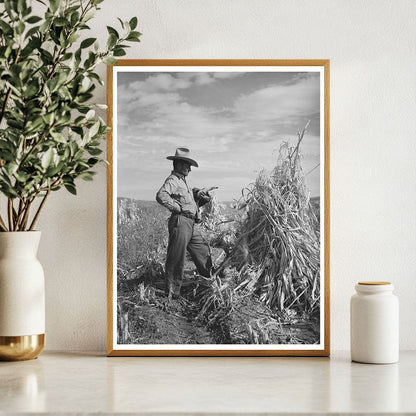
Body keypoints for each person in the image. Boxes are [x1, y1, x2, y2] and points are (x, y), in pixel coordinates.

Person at [156, 147, 213, 300]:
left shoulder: (183, 182)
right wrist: (176, 207)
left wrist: (199, 194)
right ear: (179, 164)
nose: (189, 169)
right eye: (188, 165)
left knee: (202, 250)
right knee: (176, 257)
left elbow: (188, 200)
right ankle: (172, 293)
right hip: (181, 221)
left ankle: (210, 280)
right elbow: (161, 195)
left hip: (190, 223)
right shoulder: (173, 180)